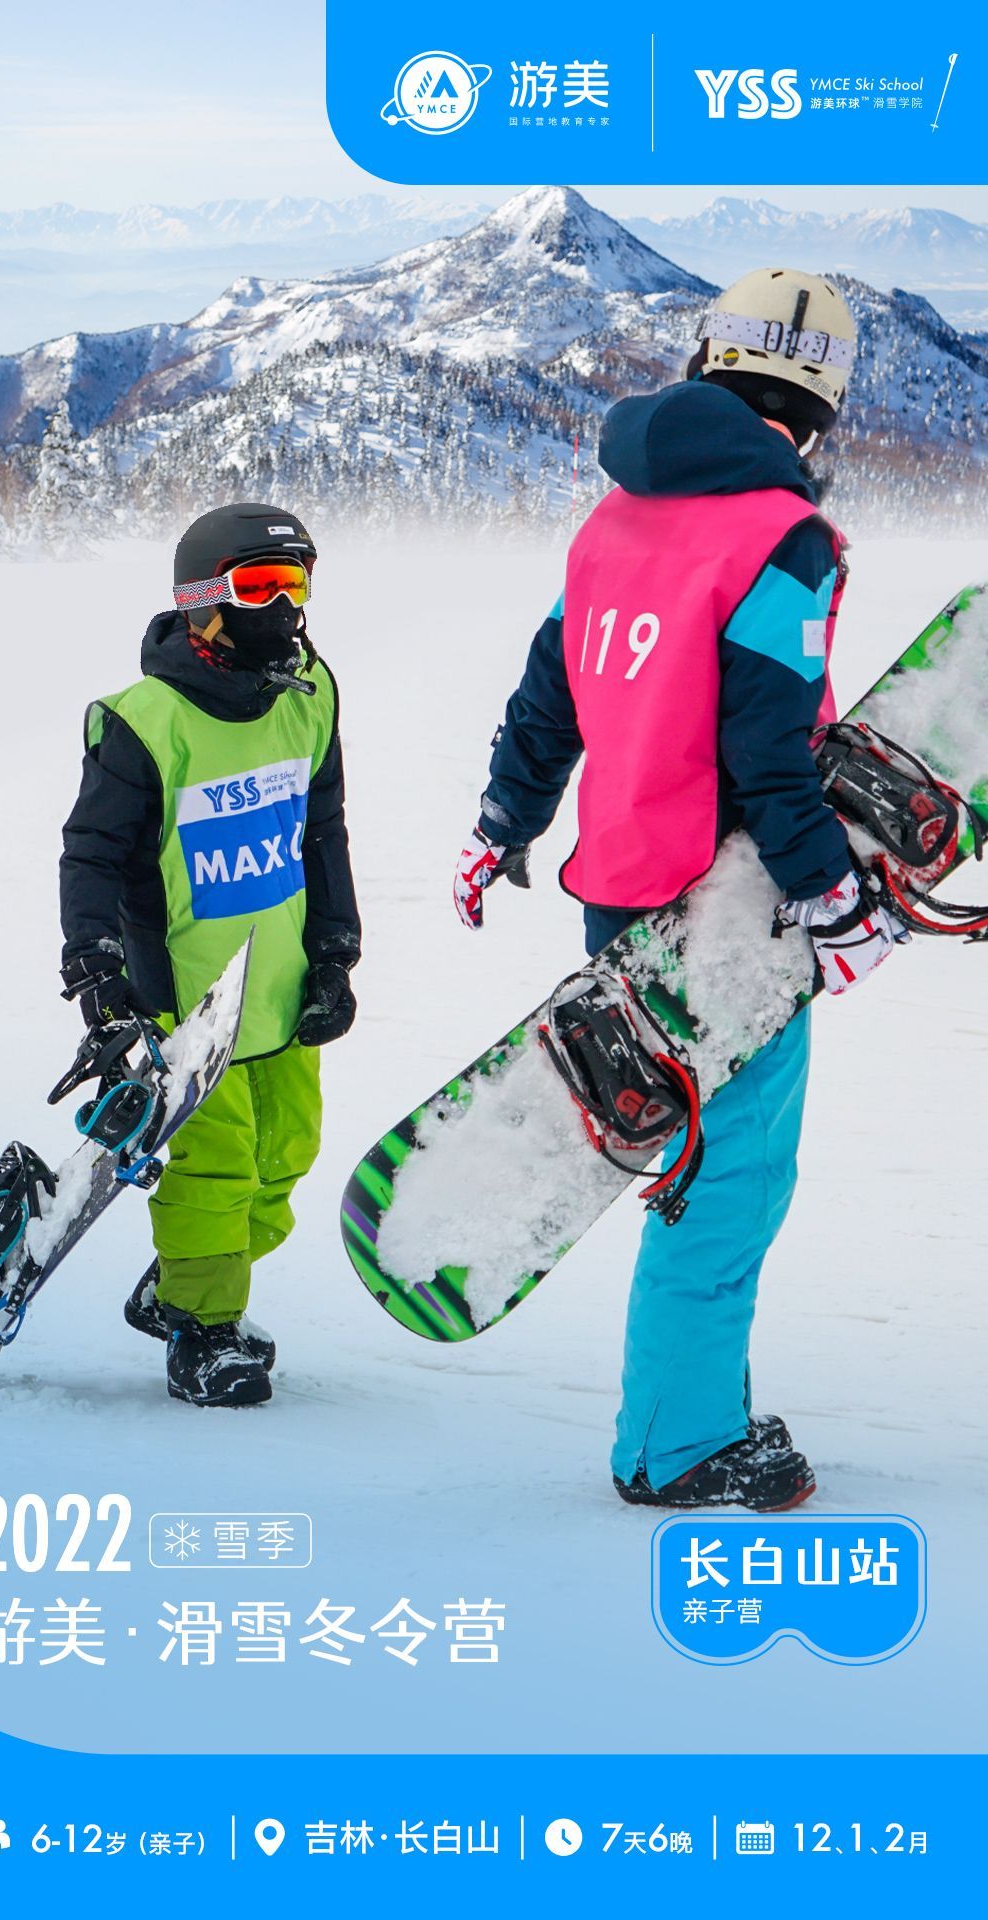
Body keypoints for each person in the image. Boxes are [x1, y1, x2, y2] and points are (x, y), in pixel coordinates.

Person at [453, 270, 906, 1511]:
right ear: (821, 405)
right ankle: (678, 1445)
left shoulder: (614, 519)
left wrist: (503, 821)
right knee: (730, 1174)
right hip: (726, 906)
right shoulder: (784, 537)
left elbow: (548, 698)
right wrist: (831, 896)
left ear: (709, 360)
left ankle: (697, 1407)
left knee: (699, 1158)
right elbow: (768, 749)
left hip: (621, 888)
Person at [59, 504, 361, 1408]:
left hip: (278, 990)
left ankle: (180, 1283)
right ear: (203, 602)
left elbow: (324, 832)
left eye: (294, 584)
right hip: (185, 1002)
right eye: (257, 587)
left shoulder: (309, 695)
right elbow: (91, 857)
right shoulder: (143, 723)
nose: (284, 607)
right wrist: (98, 974)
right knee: (214, 1169)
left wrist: (336, 953)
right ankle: (203, 1328)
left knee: (285, 1160)